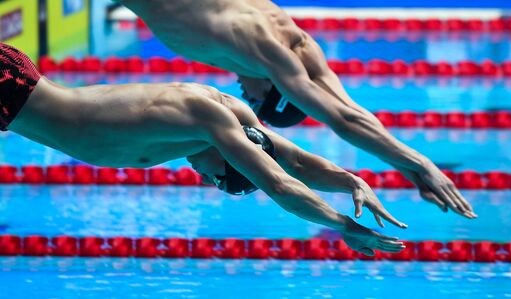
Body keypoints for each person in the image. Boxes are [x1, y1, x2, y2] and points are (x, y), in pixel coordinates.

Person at [0, 42, 405, 256]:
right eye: (215, 177)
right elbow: (280, 184)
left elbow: (294, 159)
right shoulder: (212, 119)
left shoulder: (234, 114)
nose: (201, 176)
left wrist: (350, 180)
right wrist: (345, 226)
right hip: (11, 91)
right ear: (231, 157)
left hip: (16, 93)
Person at [116, 0, 477, 219]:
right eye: (258, 101)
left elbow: (350, 108)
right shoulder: (265, 48)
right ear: (279, 86)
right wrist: (422, 164)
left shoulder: (297, 42)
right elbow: (342, 119)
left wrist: (409, 169)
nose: (246, 96)